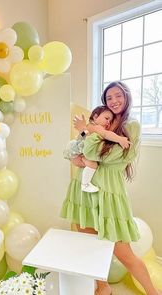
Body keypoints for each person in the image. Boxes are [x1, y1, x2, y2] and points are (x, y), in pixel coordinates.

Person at [60, 81, 162, 295]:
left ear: (126, 97)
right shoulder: (103, 122)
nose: (114, 101)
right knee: (91, 245)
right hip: (84, 189)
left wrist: (87, 151)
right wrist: (79, 155)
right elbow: (74, 150)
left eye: (118, 96)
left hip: (108, 193)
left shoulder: (131, 124)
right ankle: (102, 287)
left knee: (124, 253)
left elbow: (121, 155)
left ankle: (153, 292)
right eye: (109, 98)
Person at [63, 105, 131, 193]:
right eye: (106, 118)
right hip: (77, 151)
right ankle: (85, 184)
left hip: (76, 149)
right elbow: (106, 134)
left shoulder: (90, 126)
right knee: (93, 164)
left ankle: (85, 184)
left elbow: (82, 136)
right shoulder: (96, 127)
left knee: (90, 163)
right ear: (95, 117)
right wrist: (119, 139)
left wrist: (83, 131)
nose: (108, 123)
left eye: (110, 121)